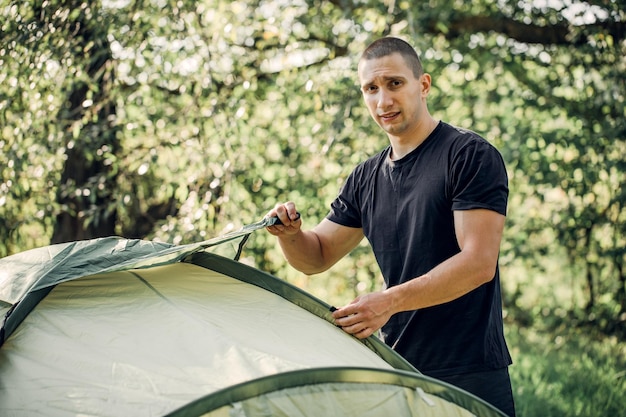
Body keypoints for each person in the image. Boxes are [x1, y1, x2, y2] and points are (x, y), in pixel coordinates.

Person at [266, 36, 516, 417]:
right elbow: (316, 257)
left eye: (394, 84)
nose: (383, 101)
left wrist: (388, 302)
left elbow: (478, 263)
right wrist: (291, 235)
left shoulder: (469, 155)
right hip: (396, 371)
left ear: (424, 84)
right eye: (371, 89)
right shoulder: (366, 177)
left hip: (469, 373)